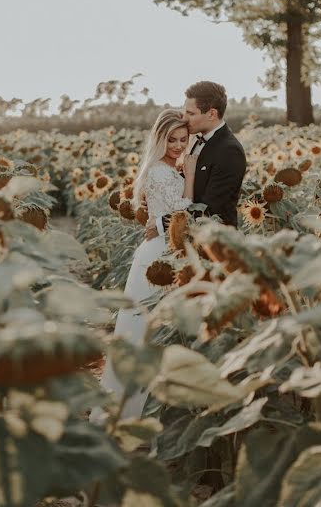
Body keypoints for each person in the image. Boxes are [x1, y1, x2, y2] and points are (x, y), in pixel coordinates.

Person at [92, 108, 195, 422]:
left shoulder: (169, 167)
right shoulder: (159, 171)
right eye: (172, 139)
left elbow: (162, 216)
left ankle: (153, 404)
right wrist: (189, 176)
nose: (178, 145)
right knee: (147, 329)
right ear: (160, 139)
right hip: (161, 253)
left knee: (154, 328)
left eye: (183, 139)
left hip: (166, 244)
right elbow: (182, 211)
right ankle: (134, 410)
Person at [146, 80, 247, 240]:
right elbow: (190, 187)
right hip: (191, 237)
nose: (184, 119)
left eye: (191, 113)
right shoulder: (197, 140)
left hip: (215, 242)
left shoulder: (229, 151)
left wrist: (162, 223)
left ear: (211, 114)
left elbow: (213, 209)